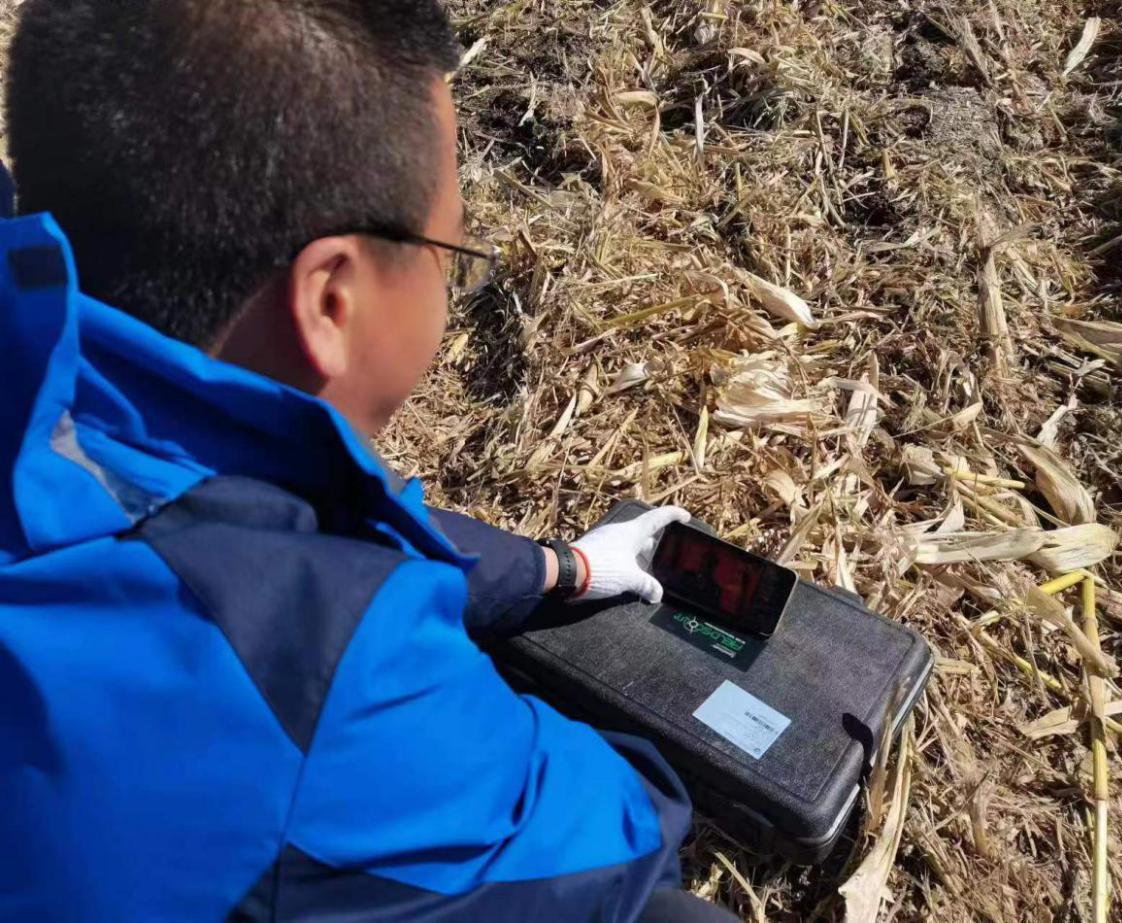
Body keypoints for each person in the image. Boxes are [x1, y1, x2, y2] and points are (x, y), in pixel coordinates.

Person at [0, 2, 740, 921]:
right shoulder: (325, 681)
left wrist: (557, 568)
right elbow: (607, 845)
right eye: (449, 256)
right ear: (332, 301)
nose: (450, 287)